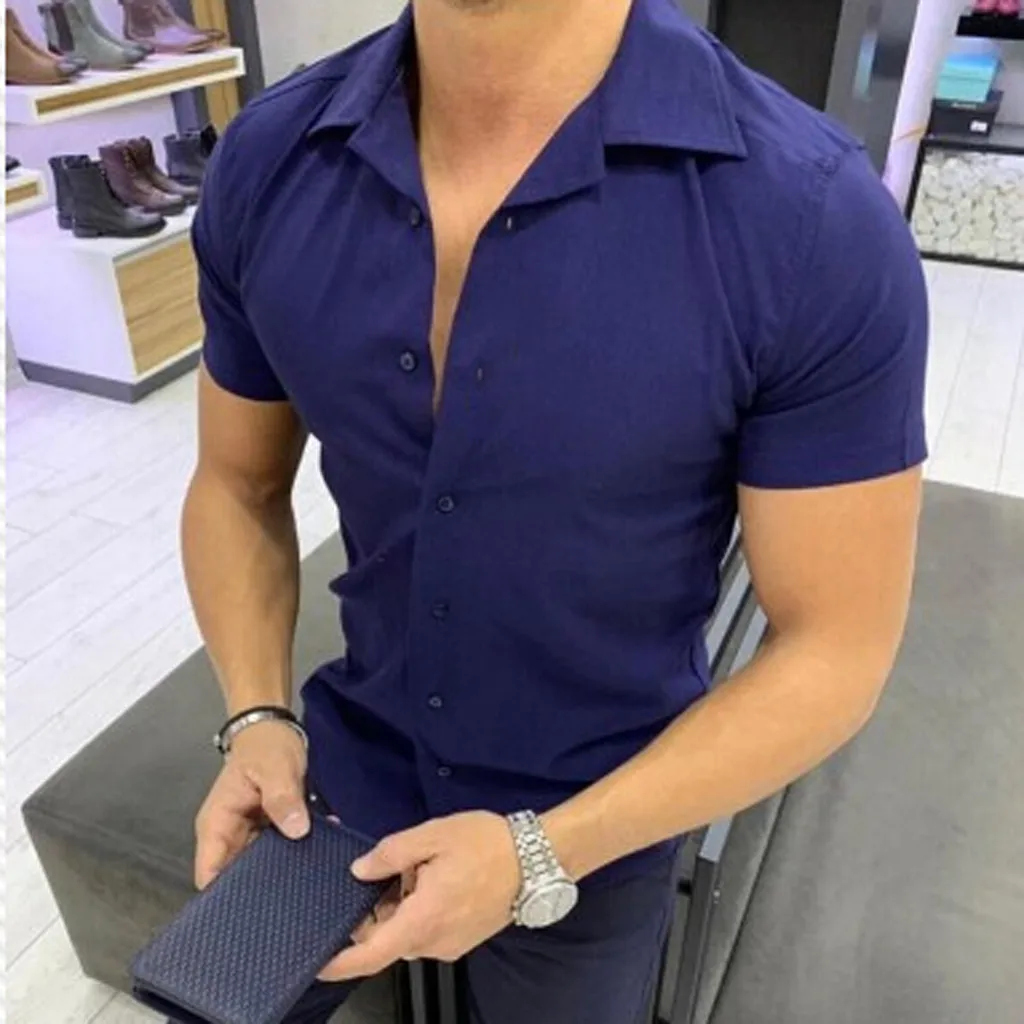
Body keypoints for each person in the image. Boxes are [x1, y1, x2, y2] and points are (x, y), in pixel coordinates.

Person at [181, 0, 928, 1020]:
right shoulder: (271, 160)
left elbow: (836, 647)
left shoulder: (807, 217)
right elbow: (236, 484)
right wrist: (256, 714)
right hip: (345, 774)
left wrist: (542, 852)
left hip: (601, 810)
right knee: (208, 999)